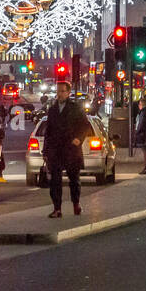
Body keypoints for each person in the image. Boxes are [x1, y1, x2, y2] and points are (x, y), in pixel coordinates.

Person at [42, 80, 92, 217]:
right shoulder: (52, 109)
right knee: (55, 181)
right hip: (56, 149)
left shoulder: (75, 108)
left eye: (63, 91)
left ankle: (76, 204)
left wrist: (78, 139)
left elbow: (85, 125)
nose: (60, 94)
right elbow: (49, 131)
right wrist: (45, 150)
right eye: (58, 91)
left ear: (68, 92)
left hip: (71, 149)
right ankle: (57, 208)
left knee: (74, 179)